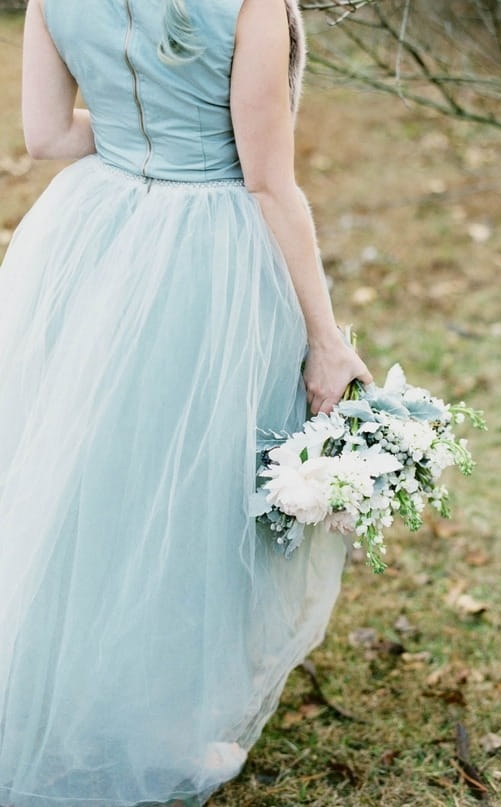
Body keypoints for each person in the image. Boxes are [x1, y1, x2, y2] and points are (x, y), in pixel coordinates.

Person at [0, 0, 373, 804]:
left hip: (92, 233)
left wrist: (140, 132)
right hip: (203, 253)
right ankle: (162, 727)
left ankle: (68, 685)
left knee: (91, 476)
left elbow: (48, 139)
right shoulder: (251, 5)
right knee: (190, 484)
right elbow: (270, 182)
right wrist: (327, 338)